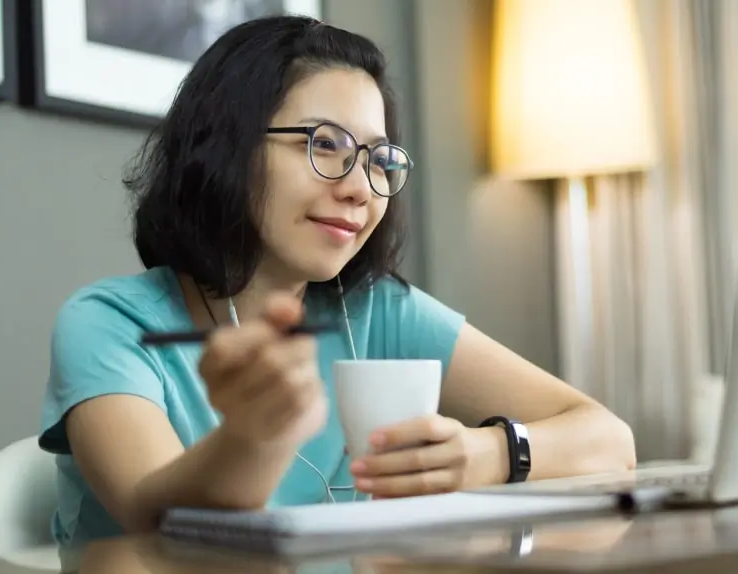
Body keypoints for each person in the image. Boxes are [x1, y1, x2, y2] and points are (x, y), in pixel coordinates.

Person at [39, 15, 636, 549]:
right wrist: (257, 436)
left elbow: (609, 441)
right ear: (226, 147)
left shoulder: (375, 311)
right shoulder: (111, 324)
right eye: (325, 145)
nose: (359, 188)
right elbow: (153, 515)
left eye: (379, 160)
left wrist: (483, 454)